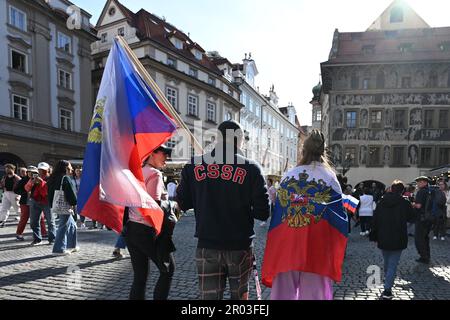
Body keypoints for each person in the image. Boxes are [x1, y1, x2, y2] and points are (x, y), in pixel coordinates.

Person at [177, 120, 270, 300]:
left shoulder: (193, 166)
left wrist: (203, 197)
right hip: (239, 246)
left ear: (217, 138)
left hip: (207, 245)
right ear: (239, 140)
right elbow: (263, 212)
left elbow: (183, 203)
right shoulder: (251, 168)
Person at [261, 130, 347, 300]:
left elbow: (278, 212)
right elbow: (339, 217)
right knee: (315, 295)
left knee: (282, 295)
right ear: (323, 151)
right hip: (317, 246)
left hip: (287, 243)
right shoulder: (330, 177)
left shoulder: (288, 176)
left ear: (303, 151)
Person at [125, 144, 175, 300]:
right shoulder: (155, 174)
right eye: (164, 154)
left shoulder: (136, 172)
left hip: (131, 228)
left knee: (140, 277)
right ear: (152, 153)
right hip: (146, 229)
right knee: (168, 270)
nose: (167, 158)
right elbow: (153, 206)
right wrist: (172, 205)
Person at [370, 180, 415, 300]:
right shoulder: (404, 203)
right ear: (402, 191)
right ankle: (387, 289)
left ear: (391, 189)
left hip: (383, 236)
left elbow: (375, 221)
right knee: (393, 264)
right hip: (398, 236)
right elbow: (412, 218)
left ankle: (388, 281)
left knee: (387, 262)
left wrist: (374, 236)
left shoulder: (381, 202)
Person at [48, 160, 78, 255]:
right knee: (63, 226)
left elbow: (49, 192)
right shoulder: (65, 178)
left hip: (56, 204)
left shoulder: (52, 178)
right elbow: (70, 193)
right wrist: (74, 202)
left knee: (72, 225)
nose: (71, 169)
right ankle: (58, 249)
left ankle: (72, 246)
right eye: (70, 167)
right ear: (65, 168)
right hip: (64, 205)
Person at [26, 162, 56, 246]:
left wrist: (42, 182)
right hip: (35, 201)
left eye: (43, 170)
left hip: (47, 201)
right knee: (33, 222)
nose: (41, 172)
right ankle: (37, 239)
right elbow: (27, 188)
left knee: (50, 222)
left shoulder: (51, 178)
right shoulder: (34, 178)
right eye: (40, 170)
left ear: (47, 170)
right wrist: (32, 182)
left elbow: (48, 191)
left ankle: (52, 239)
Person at [14, 166, 47, 241]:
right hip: (25, 202)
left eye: (34, 172)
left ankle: (44, 233)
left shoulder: (39, 179)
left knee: (41, 218)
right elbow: (16, 190)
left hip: (36, 202)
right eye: (29, 172)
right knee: (24, 218)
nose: (31, 174)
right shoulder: (23, 180)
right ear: (27, 172)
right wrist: (25, 191)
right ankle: (19, 234)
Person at [413, 176, 433, 264]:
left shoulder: (421, 192)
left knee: (419, 238)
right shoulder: (429, 191)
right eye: (418, 182)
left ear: (425, 183)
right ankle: (427, 255)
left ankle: (424, 256)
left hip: (421, 218)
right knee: (425, 238)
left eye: (420, 182)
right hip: (428, 218)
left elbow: (419, 206)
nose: (418, 183)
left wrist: (412, 204)